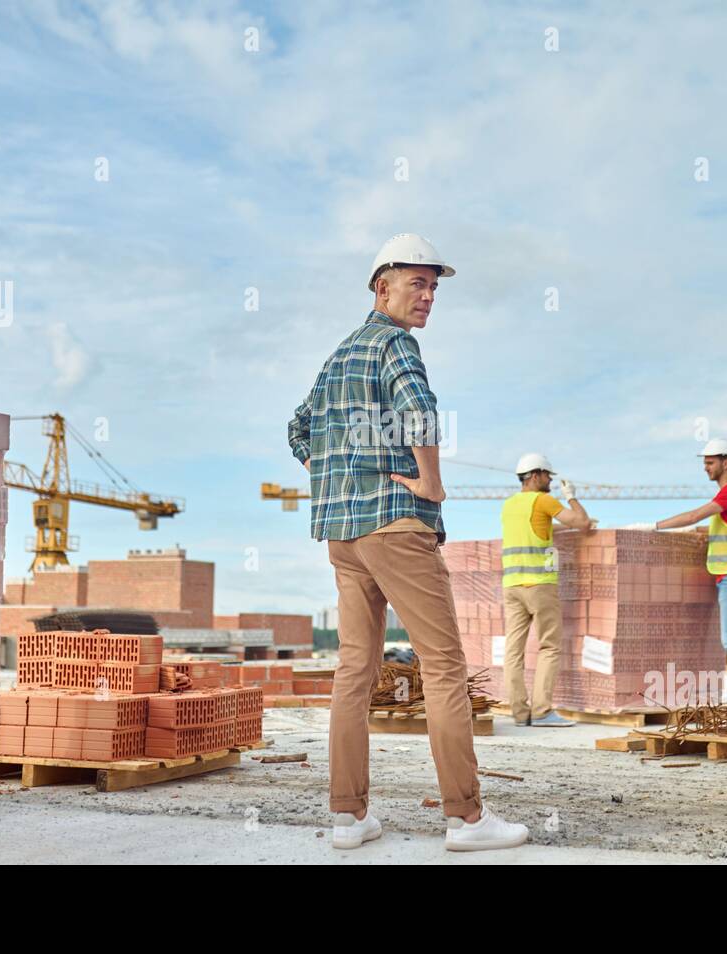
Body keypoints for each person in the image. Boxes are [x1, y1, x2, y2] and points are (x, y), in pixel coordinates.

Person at [287, 232, 528, 852]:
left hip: (342, 535)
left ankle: (348, 817)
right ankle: (467, 820)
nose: (427, 297)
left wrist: (332, 474)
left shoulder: (339, 357)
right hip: (395, 524)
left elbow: (298, 429)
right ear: (381, 286)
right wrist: (433, 483)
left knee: (354, 668)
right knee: (444, 666)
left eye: (433, 287)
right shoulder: (396, 345)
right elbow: (420, 412)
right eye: (416, 283)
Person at [646, 439, 727, 697]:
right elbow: (712, 527)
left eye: (710, 462)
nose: (706, 468)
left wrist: (653, 526)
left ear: (726, 462)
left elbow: (694, 515)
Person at [501, 452, 593, 726]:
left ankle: (520, 714)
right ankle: (541, 712)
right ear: (535, 475)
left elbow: (536, 527)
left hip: (512, 585)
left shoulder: (509, 505)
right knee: (549, 647)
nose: (550, 481)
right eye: (547, 476)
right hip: (540, 584)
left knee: (513, 651)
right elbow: (582, 523)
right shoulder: (543, 500)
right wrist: (572, 497)